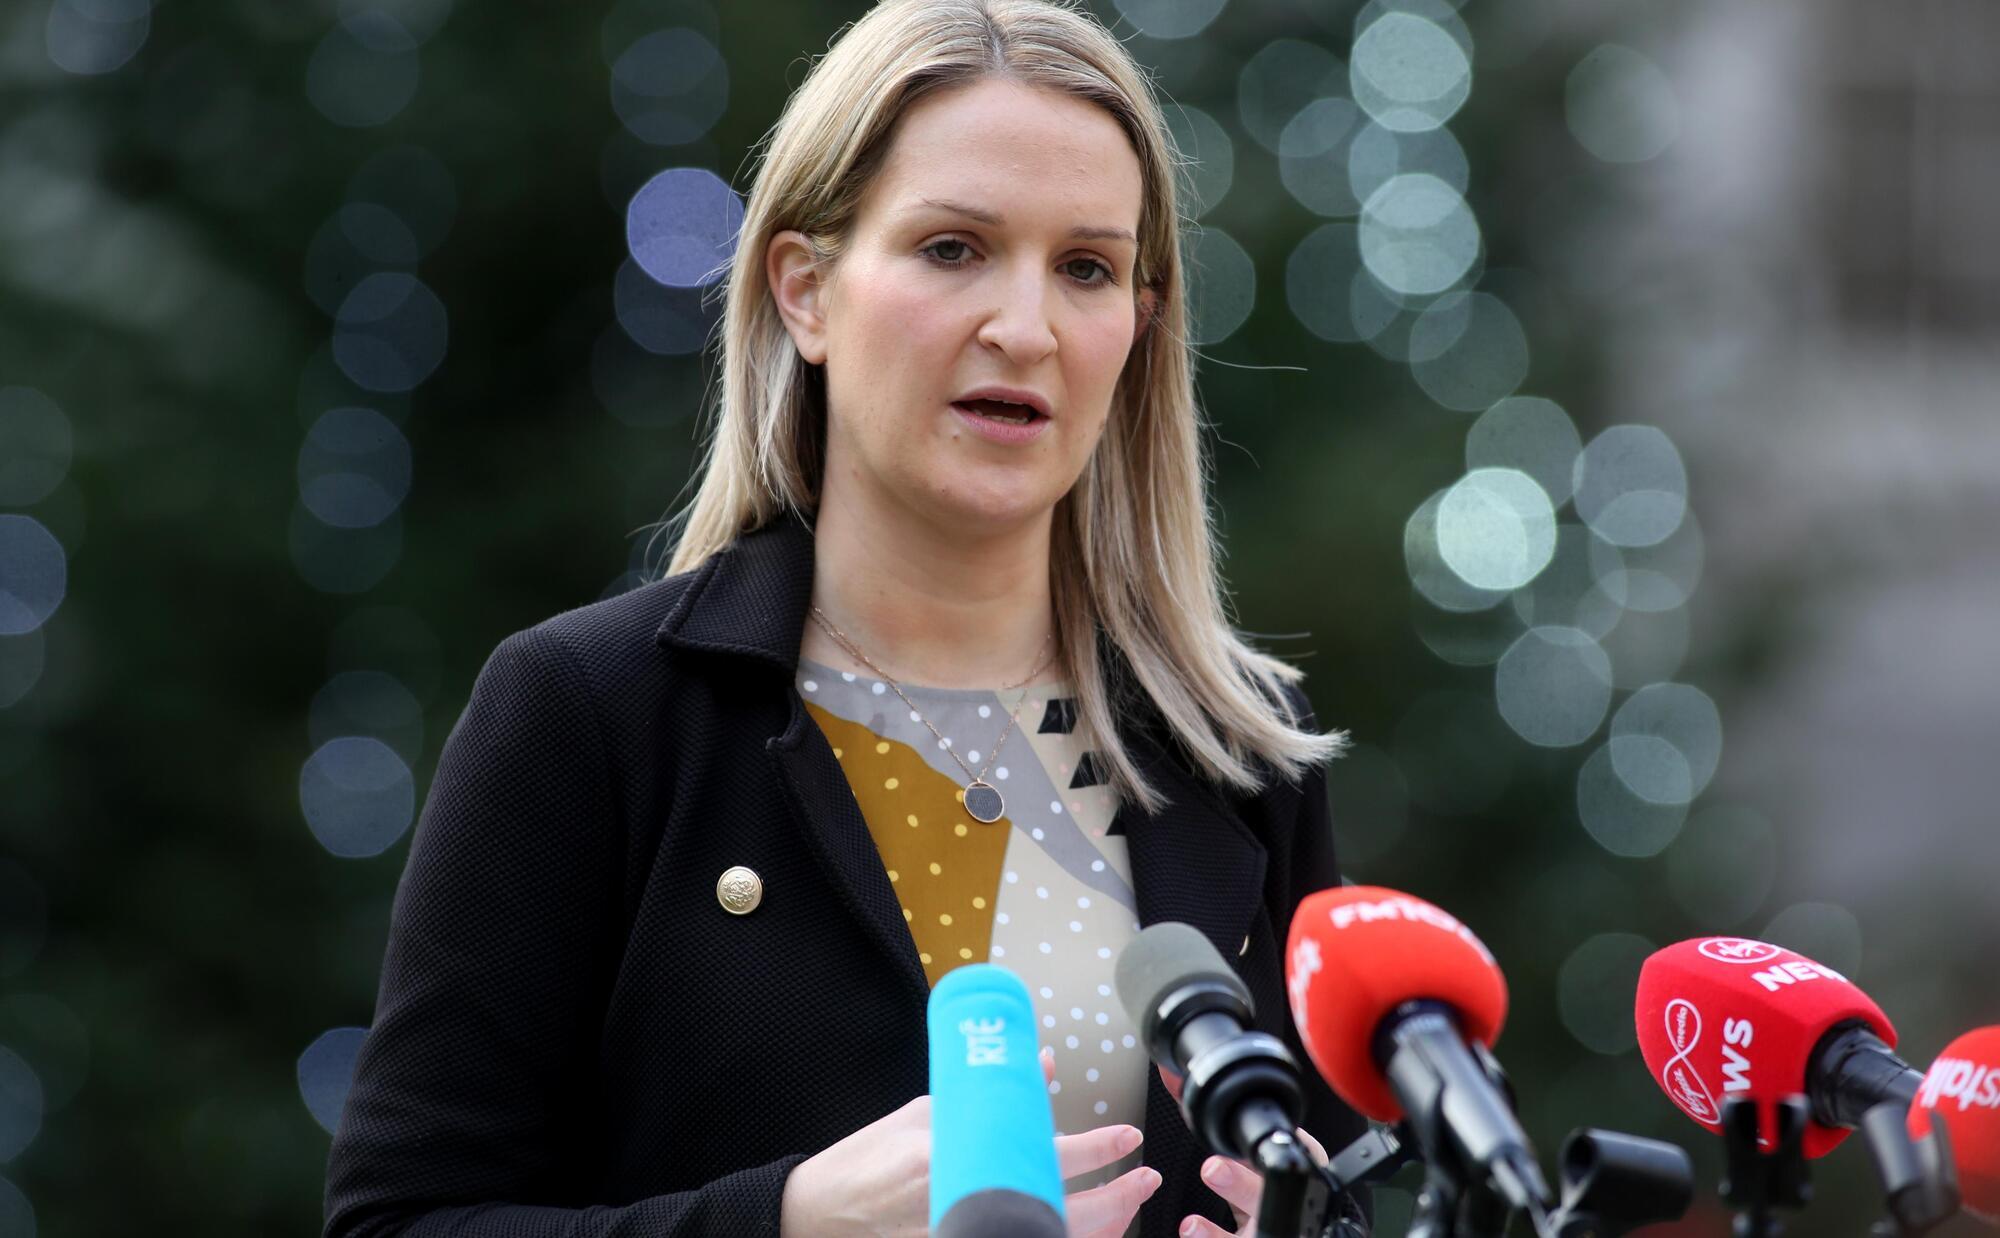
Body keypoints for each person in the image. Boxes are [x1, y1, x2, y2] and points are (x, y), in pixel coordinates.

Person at [322, 1, 1369, 1235]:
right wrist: (782, 1220)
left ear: (1138, 327)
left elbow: (1344, 1178)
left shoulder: (1238, 749)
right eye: (952, 248)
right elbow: (400, 1221)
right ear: (804, 290)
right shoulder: (589, 711)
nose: (1023, 328)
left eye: (1085, 268)